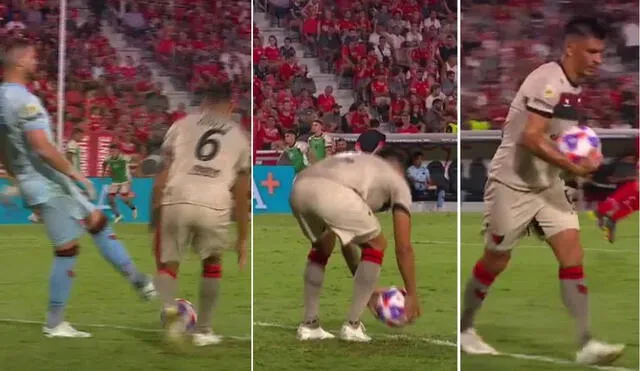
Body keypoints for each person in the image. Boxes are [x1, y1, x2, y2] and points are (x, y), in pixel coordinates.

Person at [459, 17, 625, 365]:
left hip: (547, 185)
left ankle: (585, 343)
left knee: (572, 255)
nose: (598, 59)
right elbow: (530, 136)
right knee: (496, 259)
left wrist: (579, 157)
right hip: (512, 184)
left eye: (601, 53)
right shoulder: (547, 81)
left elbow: (556, 137)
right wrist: (574, 165)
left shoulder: (575, 86)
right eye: (592, 52)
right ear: (571, 49)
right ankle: (465, 328)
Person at [0, 38, 155, 338]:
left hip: (38, 182)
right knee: (67, 249)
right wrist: (75, 173)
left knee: (96, 221)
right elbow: (42, 147)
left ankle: (138, 280)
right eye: (32, 56)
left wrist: (18, 179)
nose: (36, 61)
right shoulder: (25, 101)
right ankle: (55, 322)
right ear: (19, 63)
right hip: (49, 182)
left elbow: (2, 148)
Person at [150, 83, 250, 347]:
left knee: (168, 264)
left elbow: (162, 175)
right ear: (230, 107)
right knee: (212, 263)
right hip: (214, 198)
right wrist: (242, 237)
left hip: (177, 195)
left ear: (203, 104)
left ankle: (171, 311)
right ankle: (204, 330)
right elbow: (242, 191)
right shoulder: (239, 136)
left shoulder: (182, 125)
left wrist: (155, 217)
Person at [290, 149, 421, 342]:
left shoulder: (359, 167)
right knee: (378, 244)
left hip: (298, 187)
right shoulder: (398, 182)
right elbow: (403, 248)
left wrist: (369, 292)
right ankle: (352, 326)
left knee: (322, 248)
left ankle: (310, 325)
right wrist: (412, 295)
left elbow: (347, 242)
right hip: (331, 192)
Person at [102, 144, 137, 223]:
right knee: (110, 199)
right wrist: (103, 173)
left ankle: (133, 208)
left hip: (125, 179)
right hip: (116, 181)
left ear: (118, 151)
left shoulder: (123, 158)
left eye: (114, 151)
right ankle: (118, 215)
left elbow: (133, 160)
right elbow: (104, 164)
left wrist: (134, 169)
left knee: (123, 198)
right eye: (110, 151)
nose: (112, 153)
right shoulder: (108, 158)